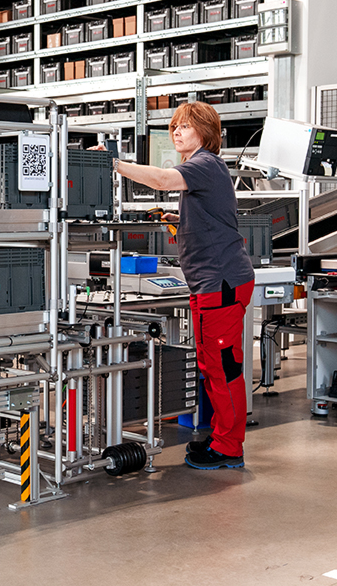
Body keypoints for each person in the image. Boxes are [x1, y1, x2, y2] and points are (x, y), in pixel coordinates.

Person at [111, 102, 255, 470]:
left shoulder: (204, 164)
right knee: (213, 365)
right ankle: (224, 437)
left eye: (185, 127)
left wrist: (114, 163)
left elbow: (160, 180)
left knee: (223, 368)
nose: (177, 132)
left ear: (206, 132)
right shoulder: (204, 169)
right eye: (174, 127)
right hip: (213, 282)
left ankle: (229, 447)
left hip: (219, 283)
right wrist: (182, 217)